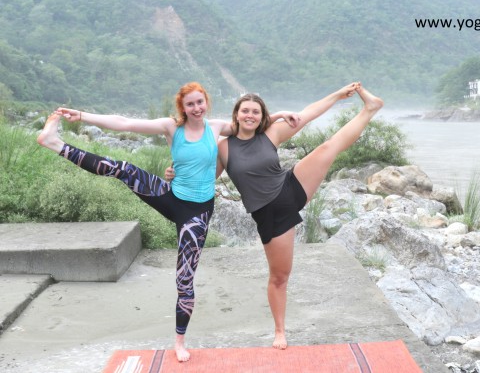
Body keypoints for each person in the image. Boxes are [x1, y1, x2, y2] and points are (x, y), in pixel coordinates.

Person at [36, 81, 296, 362]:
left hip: (196, 214)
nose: (196, 108)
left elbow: (252, 124)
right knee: (121, 168)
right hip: (170, 195)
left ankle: (179, 341)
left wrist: (279, 114)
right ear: (182, 108)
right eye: (190, 104)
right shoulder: (171, 127)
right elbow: (124, 124)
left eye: (200, 102)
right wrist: (83, 116)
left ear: (206, 103)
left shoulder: (218, 127)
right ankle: (54, 143)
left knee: (185, 278)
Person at [165, 82, 384, 349]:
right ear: (236, 115)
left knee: (328, 148)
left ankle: (370, 109)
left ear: (262, 116)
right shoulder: (222, 147)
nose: (250, 115)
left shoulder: (271, 133)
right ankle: (280, 330)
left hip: (290, 188)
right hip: (268, 215)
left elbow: (309, 112)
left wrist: (339, 95)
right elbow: (205, 176)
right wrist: (175, 173)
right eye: (245, 110)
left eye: (255, 112)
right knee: (279, 276)